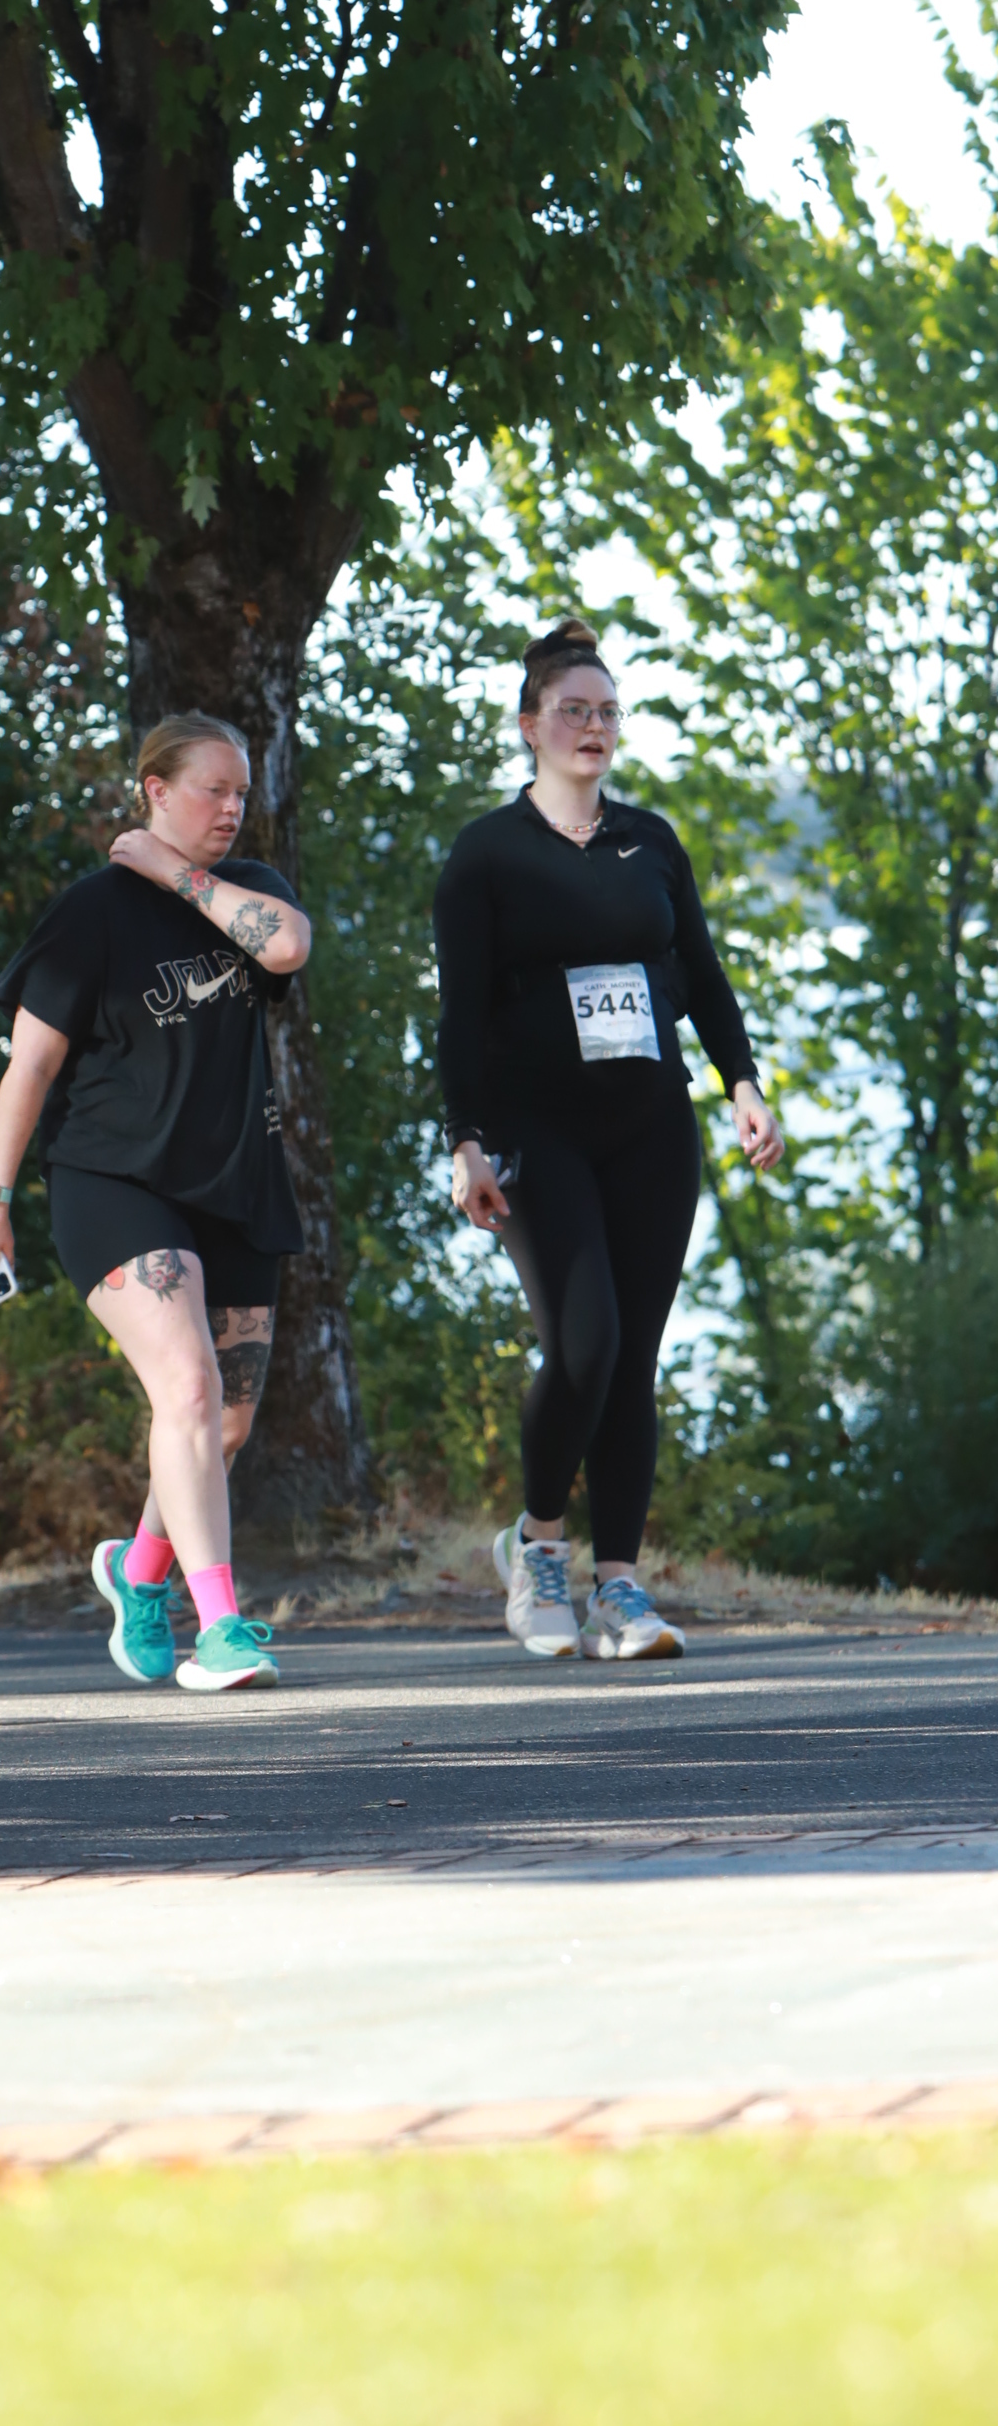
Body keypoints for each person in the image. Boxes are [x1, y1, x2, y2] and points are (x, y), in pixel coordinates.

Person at [435, 619, 785, 1663]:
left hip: (650, 1124)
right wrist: (464, 1141)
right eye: (572, 712)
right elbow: (459, 1015)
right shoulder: (486, 853)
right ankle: (538, 1544)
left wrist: (742, 1082)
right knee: (582, 1344)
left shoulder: (650, 840)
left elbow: (703, 974)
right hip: (535, 1128)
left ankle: (620, 1589)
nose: (592, 727)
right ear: (528, 725)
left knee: (632, 1358)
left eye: (606, 712)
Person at [0, 715, 313, 1693]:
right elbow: (30, 1067)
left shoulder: (251, 892)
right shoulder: (90, 914)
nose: (232, 808)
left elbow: (284, 949)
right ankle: (220, 1629)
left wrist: (173, 873)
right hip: (112, 1181)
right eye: (211, 790)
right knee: (187, 1390)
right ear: (154, 789)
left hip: (234, 1188)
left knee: (222, 1426)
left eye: (241, 792)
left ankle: (139, 1570)